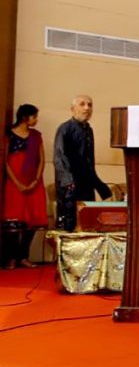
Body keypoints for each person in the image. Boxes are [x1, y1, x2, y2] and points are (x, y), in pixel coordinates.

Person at [53, 95, 111, 232]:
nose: (87, 108)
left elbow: (88, 161)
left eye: (90, 105)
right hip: (70, 185)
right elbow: (59, 157)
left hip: (86, 183)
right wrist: (68, 181)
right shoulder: (65, 129)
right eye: (82, 104)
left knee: (87, 222)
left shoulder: (88, 130)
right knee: (69, 223)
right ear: (72, 109)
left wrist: (99, 186)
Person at [3, 104, 48, 268]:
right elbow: (6, 161)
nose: (36, 119)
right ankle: (10, 258)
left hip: (34, 183)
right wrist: (17, 183)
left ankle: (23, 256)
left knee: (33, 220)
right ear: (24, 117)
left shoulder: (36, 136)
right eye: (34, 116)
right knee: (13, 220)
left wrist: (35, 180)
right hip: (14, 182)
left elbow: (41, 159)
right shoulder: (9, 134)